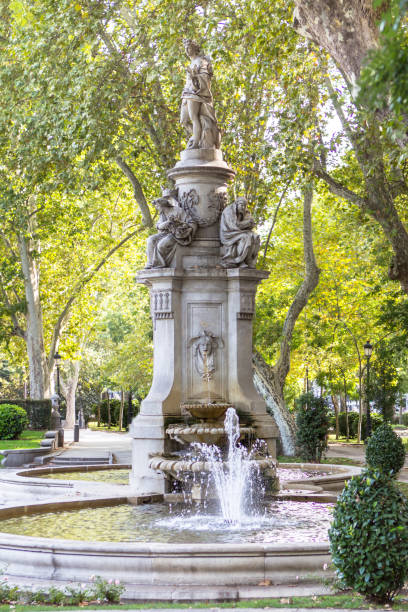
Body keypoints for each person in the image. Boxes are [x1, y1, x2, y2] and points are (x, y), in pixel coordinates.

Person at [180, 39, 221, 150]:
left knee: (193, 117)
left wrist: (195, 77)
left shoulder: (201, 61)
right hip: (187, 92)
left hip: (195, 93)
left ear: (195, 49)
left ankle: (196, 141)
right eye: (185, 48)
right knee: (183, 120)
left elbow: (205, 77)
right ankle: (197, 135)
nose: (187, 50)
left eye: (189, 47)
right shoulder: (192, 62)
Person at [145, 192, 197, 268]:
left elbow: (190, 222)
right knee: (150, 240)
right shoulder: (162, 214)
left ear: (162, 205)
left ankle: (160, 264)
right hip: (164, 233)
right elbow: (158, 226)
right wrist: (166, 223)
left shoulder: (177, 210)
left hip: (176, 234)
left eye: (157, 206)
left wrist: (178, 223)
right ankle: (151, 264)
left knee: (161, 245)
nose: (157, 208)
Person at [220, 197, 260, 268]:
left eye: (244, 206)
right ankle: (239, 261)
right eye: (241, 205)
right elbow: (233, 226)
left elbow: (249, 222)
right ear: (236, 203)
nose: (243, 207)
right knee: (245, 237)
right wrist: (247, 223)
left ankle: (248, 260)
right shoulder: (229, 211)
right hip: (228, 233)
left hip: (238, 231)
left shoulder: (244, 211)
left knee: (255, 237)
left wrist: (251, 224)